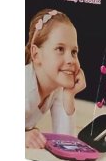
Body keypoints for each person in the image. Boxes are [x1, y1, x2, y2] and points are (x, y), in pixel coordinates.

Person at [25, 9, 86, 149]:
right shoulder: (25, 87)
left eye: (74, 52)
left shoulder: (56, 89)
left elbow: (66, 141)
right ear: (36, 54)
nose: (71, 60)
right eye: (60, 49)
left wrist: (69, 95)